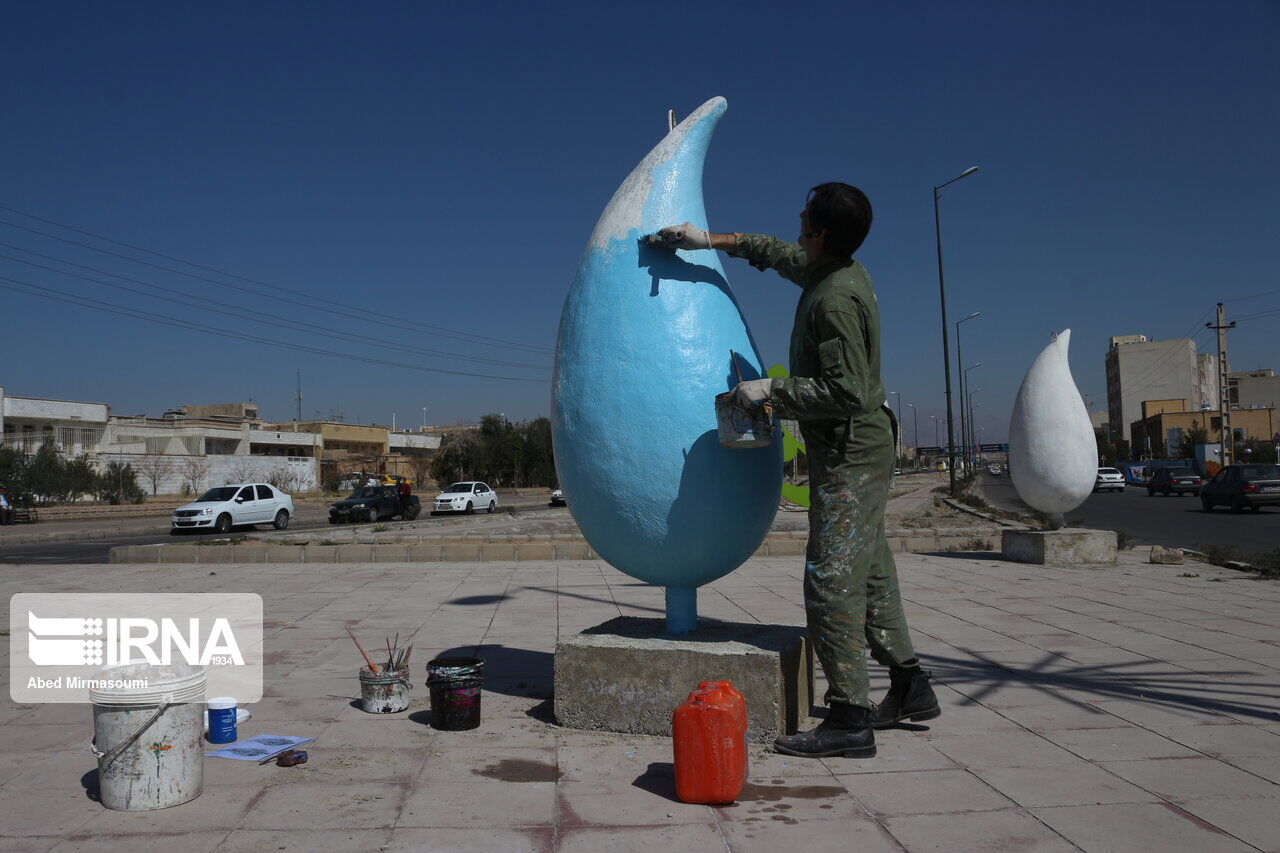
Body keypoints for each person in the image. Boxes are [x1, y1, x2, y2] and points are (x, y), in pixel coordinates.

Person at [650, 183, 938, 759]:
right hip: (863, 445)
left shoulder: (833, 298)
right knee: (872, 569)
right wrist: (709, 241)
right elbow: (778, 253)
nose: (796, 219)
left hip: (851, 452)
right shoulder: (834, 271)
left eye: (805, 215)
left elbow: (848, 391)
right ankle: (910, 686)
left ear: (821, 233)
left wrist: (770, 391)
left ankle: (850, 718)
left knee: (831, 581)